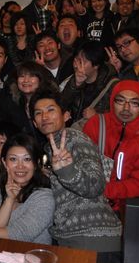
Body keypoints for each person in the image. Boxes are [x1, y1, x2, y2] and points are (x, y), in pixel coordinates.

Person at [30, 90, 122, 254]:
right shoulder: (51, 148)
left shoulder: (74, 138)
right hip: (75, 236)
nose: (44, 117)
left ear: (65, 116)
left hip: (91, 237)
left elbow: (96, 185)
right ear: (35, 123)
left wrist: (66, 171)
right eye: (38, 113)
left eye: (51, 110)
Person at [82, 80, 139, 214]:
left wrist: (105, 190)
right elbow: (82, 164)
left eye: (134, 103)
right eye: (120, 101)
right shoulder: (96, 125)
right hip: (92, 202)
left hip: (128, 207)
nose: (126, 108)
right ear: (112, 101)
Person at [59, 41, 119, 128]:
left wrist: (98, 117)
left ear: (96, 65)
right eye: (75, 60)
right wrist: (75, 85)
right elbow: (61, 105)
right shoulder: (73, 80)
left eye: (81, 62)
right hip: (76, 132)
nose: (76, 65)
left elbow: (119, 119)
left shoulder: (112, 85)